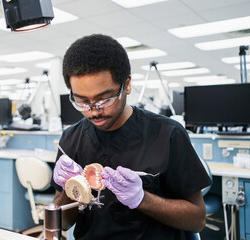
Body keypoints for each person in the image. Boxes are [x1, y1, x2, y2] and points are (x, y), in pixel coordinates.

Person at [51, 34, 212, 239]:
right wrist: (69, 189)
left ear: (126, 84)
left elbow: (197, 220)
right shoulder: (70, 139)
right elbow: (62, 223)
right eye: (82, 102)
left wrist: (142, 198)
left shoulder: (167, 134)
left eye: (104, 99)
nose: (94, 111)